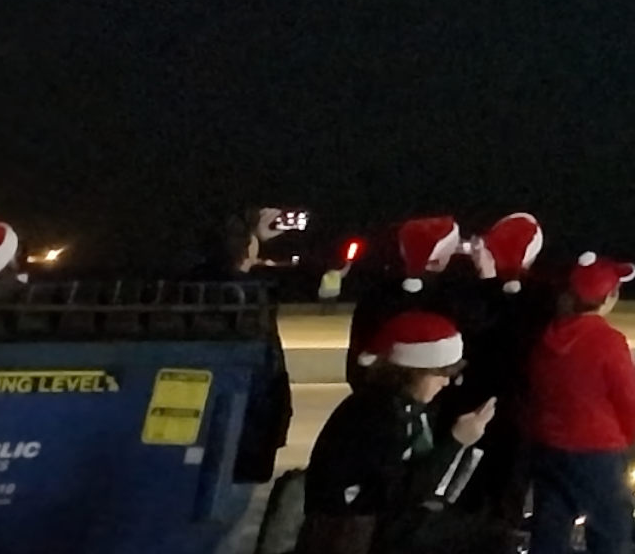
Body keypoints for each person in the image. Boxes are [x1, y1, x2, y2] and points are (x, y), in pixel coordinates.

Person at [300, 312, 496, 553]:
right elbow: (402, 493)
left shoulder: (412, 406)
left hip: (382, 523)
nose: (446, 382)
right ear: (409, 372)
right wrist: (455, 442)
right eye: (441, 373)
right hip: (354, 532)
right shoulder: (376, 414)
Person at [522, 255, 635, 554]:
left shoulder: (545, 338)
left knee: (550, 527)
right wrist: (624, 438)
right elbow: (628, 398)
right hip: (597, 450)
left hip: (550, 445)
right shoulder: (608, 340)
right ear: (609, 297)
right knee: (610, 532)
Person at [188, 209, 299, 496]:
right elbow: (268, 377)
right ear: (246, 248)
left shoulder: (186, 288)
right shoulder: (250, 299)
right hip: (240, 436)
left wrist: (248, 239)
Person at [452, 213, 548, 522]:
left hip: (474, 407)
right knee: (506, 499)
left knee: (467, 497)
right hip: (520, 414)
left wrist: (487, 281)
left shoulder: (473, 296)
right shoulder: (543, 300)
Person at [344, 217, 467, 384]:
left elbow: (360, 350)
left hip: (377, 387)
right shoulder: (448, 296)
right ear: (436, 258)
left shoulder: (377, 293)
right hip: (423, 394)